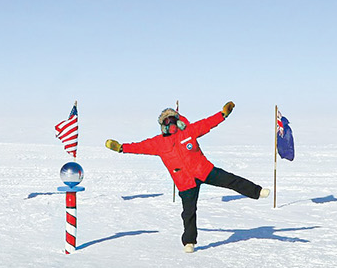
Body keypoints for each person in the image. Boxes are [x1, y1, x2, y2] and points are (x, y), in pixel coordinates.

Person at [106, 101, 268, 253]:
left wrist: (223, 114)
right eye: (166, 121)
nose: (170, 123)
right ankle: (189, 242)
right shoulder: (158, 143)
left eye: (172, 119)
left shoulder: (189, 132)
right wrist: (121, 148)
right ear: (162, 126)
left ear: (178, 120)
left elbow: (207, 123)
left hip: (204, 170)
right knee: (189, 212)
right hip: (185, 182)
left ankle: (257, 191)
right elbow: (140, 147)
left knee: (231, 180)